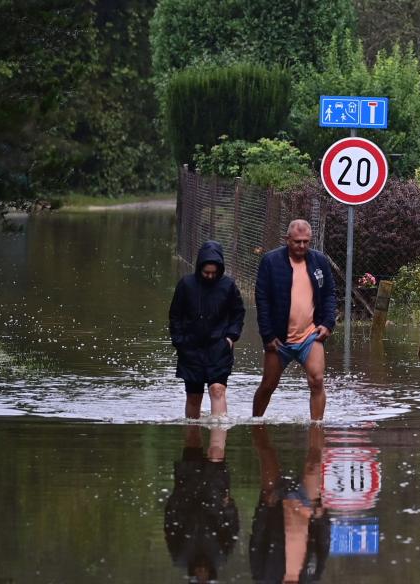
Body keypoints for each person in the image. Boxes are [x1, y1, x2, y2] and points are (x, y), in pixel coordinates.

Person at [253, 220, 336, 421]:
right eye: (297, 242)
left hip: (310, 334)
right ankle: (255, 423)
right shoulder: (270, 262)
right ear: (287, 240)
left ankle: (317, 430)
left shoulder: (319, 262)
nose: (302, 246)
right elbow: (262, 299)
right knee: (268, 385)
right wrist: (268, 335)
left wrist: (327, 323)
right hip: (279, 339)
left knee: (317, 380)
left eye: (306, 242)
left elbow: (329, 294)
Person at [169, 241, 245, 419]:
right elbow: (175, 315)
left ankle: (218, 442)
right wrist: (179, 340)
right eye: (206, 273)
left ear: (220, 269)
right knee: (194, 396)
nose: (210, 276)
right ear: (199, 268)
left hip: (219, 346)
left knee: (217, 389)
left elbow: (238, 313)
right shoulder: (186, 285)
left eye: (214, 273)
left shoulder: (228, 286)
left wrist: (231, 337)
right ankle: (192, 439)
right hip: (191, 347)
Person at [249, 424, 330, 583]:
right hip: (308, 506)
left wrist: (264, 507)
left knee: (266, 454)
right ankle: (318, 424)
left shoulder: (264, 578)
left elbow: (257, 540)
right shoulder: (311, 578)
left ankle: (258, 423)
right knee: (314, 464)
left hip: (275, 505)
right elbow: (323, 546)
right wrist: (322, 518)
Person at [164, 425, 240, 583]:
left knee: (193, 442)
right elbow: (231, 529)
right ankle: (215, 420)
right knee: (216, 453)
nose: (201, 574)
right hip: (215, 498)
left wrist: (174, 501)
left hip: (187, 495)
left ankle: (201, 417)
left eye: (199, 577)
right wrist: (229, 506)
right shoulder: (220, 557)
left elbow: (170, 525)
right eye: (202, 577)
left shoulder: (180, 557)